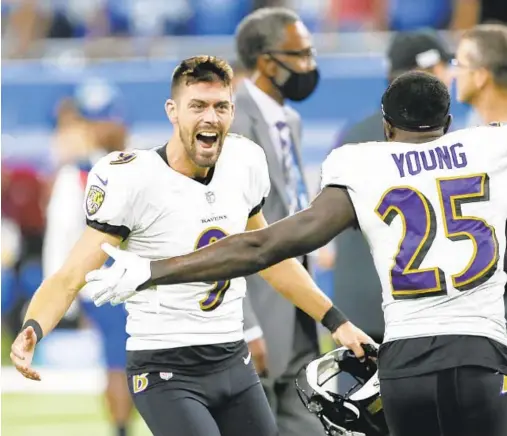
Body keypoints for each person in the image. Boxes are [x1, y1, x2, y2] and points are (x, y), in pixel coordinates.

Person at [85, 71, 507, 436]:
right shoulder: (492, 147)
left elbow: (262, 246)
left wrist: (151, 270)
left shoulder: (362, 164)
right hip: (480, 357)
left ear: (386, 127)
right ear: (448, 122)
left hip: (404, 365)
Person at [10, 55, 373, 436]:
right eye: (197, 106)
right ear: (173, 111)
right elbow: (71, 274)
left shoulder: (244, 161)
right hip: (165, 367)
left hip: (233, 358)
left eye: (220, 106)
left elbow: (269, 256)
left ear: (233, 110)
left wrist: (337, 321)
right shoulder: (133, 178)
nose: (210, 117)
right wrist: (34, 326)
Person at [328, 29, 453, 347]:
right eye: (443, 69)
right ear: (427, 74)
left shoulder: (354, 133)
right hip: (412, 302)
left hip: (356, 301)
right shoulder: (436, 139)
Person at [231, 8, 323, 435]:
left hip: (298, 301)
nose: (310, 64)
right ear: (267, 60)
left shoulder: (292, 122)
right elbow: (224, 229)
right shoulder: (229, 120)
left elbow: (289, 205)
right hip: (256, 308)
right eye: (299, 54)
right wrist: (245, 321)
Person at [43, 79, 133, 436]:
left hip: (132, 279)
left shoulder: (132, 165)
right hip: (105, 282)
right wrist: (59, 297)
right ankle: (122, 428)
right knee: (120, 362)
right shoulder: (76, 175)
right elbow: (60, 239)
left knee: (131, 362)